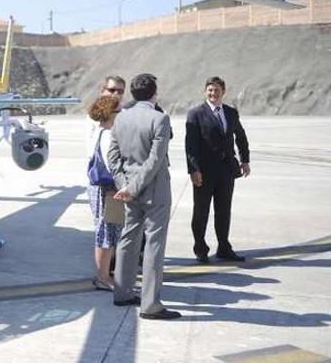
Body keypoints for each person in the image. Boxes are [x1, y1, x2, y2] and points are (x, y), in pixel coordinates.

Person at [107, 73, 180, 320]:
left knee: (127, 240)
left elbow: (113, 157)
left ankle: (122, 293)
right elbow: (155, 161)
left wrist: (124, 185)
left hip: (128, 190)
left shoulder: (121, 119)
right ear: (153, 93)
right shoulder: (160, 119)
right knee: (154, 245)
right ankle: (150, 304)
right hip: (154, 191)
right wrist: (134, 187)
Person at [185, 76, 250, 263]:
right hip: (203, 173)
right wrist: (193, 170)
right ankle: (201, 249)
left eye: (217, 90)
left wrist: (245, 160)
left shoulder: (230, 112)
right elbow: (190, 145)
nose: (213, 93)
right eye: (210, 90)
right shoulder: (196, 113)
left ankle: (224, 247)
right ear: (206, 91)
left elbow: (241, 136)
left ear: (223, 92)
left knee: (223, 211)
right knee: (201, 212)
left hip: (227, 171)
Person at [87, 95, 122, 291]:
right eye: (119, 111)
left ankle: (104, 274)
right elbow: (111, 166)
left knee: (106, 231)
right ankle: (103, 277)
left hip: (99, 187)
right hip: (107, 189)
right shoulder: (108, 135)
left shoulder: (98, 131)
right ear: (110, 114)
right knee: (106, 233)